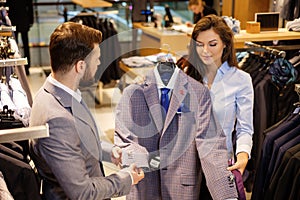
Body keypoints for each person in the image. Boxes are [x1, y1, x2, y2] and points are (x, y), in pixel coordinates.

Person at [29, 22, 144, 200]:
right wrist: (127, 178)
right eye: (97, 58)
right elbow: (82, 192)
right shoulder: (57, 119)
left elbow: (78, 144)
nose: (100, 63)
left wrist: (110, 151)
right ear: (80, 66)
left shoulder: (59, 93)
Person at [186, 14, 254, 177]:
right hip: (186, 165)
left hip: (220, 163)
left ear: (225, 44)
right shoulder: (187, 76)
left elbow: (244, 127)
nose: (205, 51)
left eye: (212, 44)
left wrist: (243, 155)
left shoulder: (241, 80)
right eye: (200, 45)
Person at [5, 0, 34, 75]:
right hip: (23, 18)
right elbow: (30, 6)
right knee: (25, 45)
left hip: (14, 19)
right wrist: (31, 20)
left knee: (14, 45)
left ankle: (16, 67)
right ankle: (27, 67)